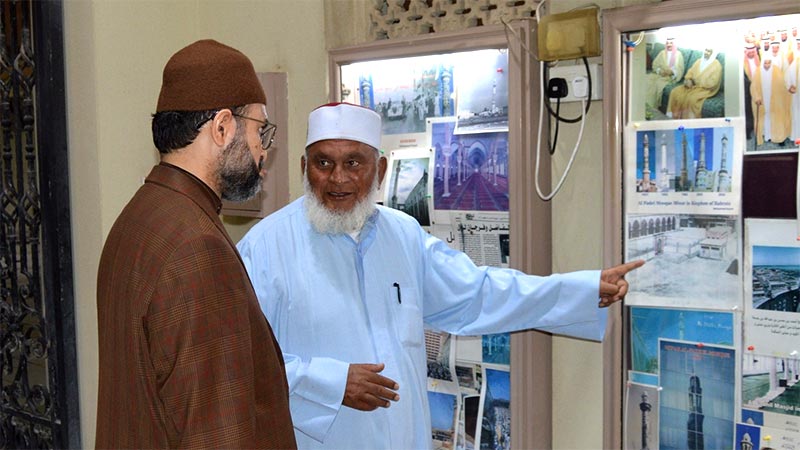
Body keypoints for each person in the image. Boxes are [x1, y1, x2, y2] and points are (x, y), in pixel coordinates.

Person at [237, 102, 644, 449]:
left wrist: (582, 289)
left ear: (378, 169)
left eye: (353, 163)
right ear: (304, 167)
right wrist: (332, 382)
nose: (337, 178)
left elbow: (479, 294)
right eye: (323, 163)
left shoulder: (402, 235)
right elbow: (237, 361)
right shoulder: (266, 248)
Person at [95, 39, 297, 449]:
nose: (263, 150)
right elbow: (217, 433)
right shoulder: (196, 247)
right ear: (222, 127)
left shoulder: (140, 216)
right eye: (261, 130)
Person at [666, 48, 723, 119]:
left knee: (692, 99)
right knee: (675, 91)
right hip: (691, 86)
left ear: (713, 54)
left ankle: (688, 123)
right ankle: (673, 117)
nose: (706, 53)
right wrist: (688, 80)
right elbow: (690, 72)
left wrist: (695, 81)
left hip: (705, 90)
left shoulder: (717, 65)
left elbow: (713, 83)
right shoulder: (698, 61)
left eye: (709, 51)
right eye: (706, 50)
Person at [646, 37, 685, 111]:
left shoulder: (678, 54)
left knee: (658, 84)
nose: (669, 45)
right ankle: (645, 105)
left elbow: (680, 69)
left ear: (674, 44)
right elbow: (655, 65)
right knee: (647, 79)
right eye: (667, 43)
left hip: (669, 77)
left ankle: (652, 107)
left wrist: (672, 72)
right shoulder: (662, 53)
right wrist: (659, 71)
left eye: (671, 43)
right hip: (658, 74)